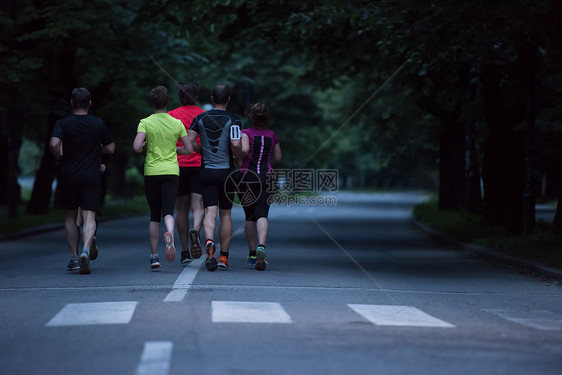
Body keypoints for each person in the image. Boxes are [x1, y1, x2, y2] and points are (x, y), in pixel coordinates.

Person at [49, 87, 115, 275]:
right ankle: (86, 250)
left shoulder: (62, 123)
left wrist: (60, 157)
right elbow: (110, 148)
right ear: (90, 104)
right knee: (89, 215)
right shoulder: (98, 123)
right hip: (91, 175)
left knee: (71, 216)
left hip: (68, 174)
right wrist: (96, 149)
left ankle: (73, 256)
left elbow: (54, 144)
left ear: (71, 103)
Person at [133, 86, 193, 270]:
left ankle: (154, 257)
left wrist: (145, 145)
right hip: (172, 172)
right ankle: (170, 233)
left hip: (152, 172)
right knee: (168, 211)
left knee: (154, 215)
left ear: (152, 102)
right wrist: (175, 150)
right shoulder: (177, 123)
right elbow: (189, 149)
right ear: (167, 102)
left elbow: (136, 147)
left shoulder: (145, 122)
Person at [187, 84, 243, 271]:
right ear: (228, 99)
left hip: (207, 171)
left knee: (209, 211)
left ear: (212, 98)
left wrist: (200, 150)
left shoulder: (200, 118)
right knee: (225, 213)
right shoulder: (234, 120)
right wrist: (238, 157)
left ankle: (209, 243)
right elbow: (235, 144)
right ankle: (223, 257)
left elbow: (189, 140)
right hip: (227, 172)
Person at [238, 103, 282, 270]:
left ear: (251, 117)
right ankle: (261, 246)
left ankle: (251, 253)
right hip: (266, 177)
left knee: (250, 216)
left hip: (246, 177)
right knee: (262, 213)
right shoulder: (272, 135)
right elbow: (278, 157)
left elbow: (243, 151)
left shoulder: (245, 133)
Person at [168, 82, 205, 264]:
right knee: (198, 205)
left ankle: (184, 251)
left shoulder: (171, 116)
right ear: (196, 96)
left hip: (178, 165)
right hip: (199, 165)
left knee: (181, 209)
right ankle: (196, 231)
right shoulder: (203, 115)